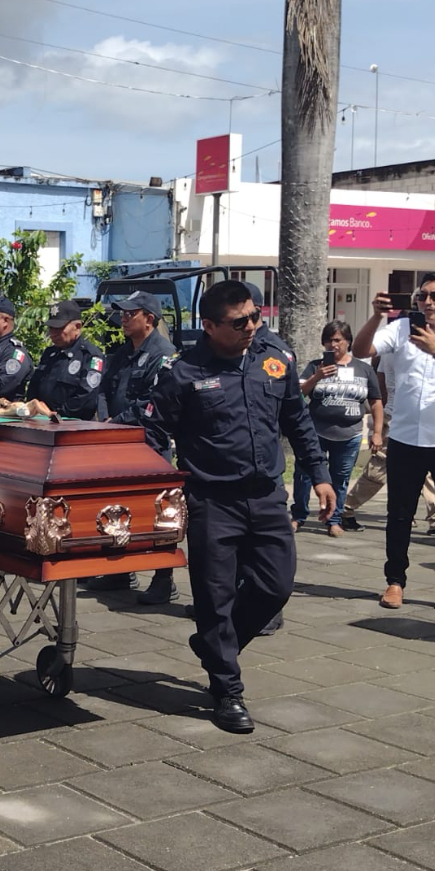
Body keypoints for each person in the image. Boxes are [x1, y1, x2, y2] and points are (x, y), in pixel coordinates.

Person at [146, 280, 333, 733]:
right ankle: (227, 690)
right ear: (209, 326)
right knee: (215, 597)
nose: (251, 326)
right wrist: (160, 493)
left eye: (255, 317)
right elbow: (154, 436)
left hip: (268, 494)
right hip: (213, 500)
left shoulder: (275, 358)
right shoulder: (182, 371)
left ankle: (214, 647)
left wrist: (321, 475)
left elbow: (297, 420)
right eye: (239, 322)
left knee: (275, 586)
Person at [352, 273, 435, 617]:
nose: (428, 302)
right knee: (399, 515)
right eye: (422, 296)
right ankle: (395, 581)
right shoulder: (400, 330)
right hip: (407, 439)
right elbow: (360, 351)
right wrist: (375, 317)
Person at [93, 290, 181, 604]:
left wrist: (118, 420)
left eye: (132, 313)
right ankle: (119, 570)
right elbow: (104, 388)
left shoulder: (164, 353)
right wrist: (107, 420)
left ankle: (163, 578)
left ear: (150, 318)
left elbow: (154, 403)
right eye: (123, 313)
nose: (124, 318)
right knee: (116, 509)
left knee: (158, 514)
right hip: (118, 442)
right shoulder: (121, 353)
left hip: (148, 444)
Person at [291, 321, 383, 537]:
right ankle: (298, 516)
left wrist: (376, 432)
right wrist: (317, 376)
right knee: (304, 475)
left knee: (339, 479)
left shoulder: (363, 369)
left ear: (348, 342)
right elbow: (299, 393)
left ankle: (334, 519)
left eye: (338, 340)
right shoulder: (316, 366)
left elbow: (376, 401)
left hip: (349, 434)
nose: (333, 345)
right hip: (315, 433)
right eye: (328, 340)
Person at [339, 354, 435, 534]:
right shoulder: (392, 353)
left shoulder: (426, 349)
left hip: (421, 419)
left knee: (426, 469)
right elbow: (380, 391)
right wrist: (381, 424)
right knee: (379, 468)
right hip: (396, 417)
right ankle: (347, 506)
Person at [27, 300, 105, 420]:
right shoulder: (49, 354)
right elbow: (34, 388)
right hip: (41, 421)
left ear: (77, 327)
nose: (53, 334)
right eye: (51, 328)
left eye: (58, 328)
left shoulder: (90, 356)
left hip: (73, 426)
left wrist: (55, 415)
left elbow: (85, 398)